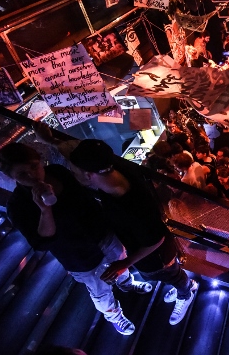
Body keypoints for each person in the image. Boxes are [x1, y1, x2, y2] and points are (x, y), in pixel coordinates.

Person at [0, 142, 150, 336]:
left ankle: (126, 283)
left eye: (34, 167)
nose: (33, 176)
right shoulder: (17, 205)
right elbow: (42, 242)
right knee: (100, 289)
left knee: (120, 260)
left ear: (39, 160)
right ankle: (113, 315)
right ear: (11, 177)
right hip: (78, 256)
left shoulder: (58, 172)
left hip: (102, 233)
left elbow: (85, 196)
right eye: (22, 174)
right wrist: (45, 210)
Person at [68, 139, 199, 326]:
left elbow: (156, 239)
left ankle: (186, 293)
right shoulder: (118, 169)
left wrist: (125, 263)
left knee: (170, 275)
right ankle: (182, 286)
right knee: (168, 275)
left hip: (158, 256)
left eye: (74, 172)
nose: (72, 176)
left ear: (89, 175)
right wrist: (51, 140)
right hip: (150, 250)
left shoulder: (132, 205)